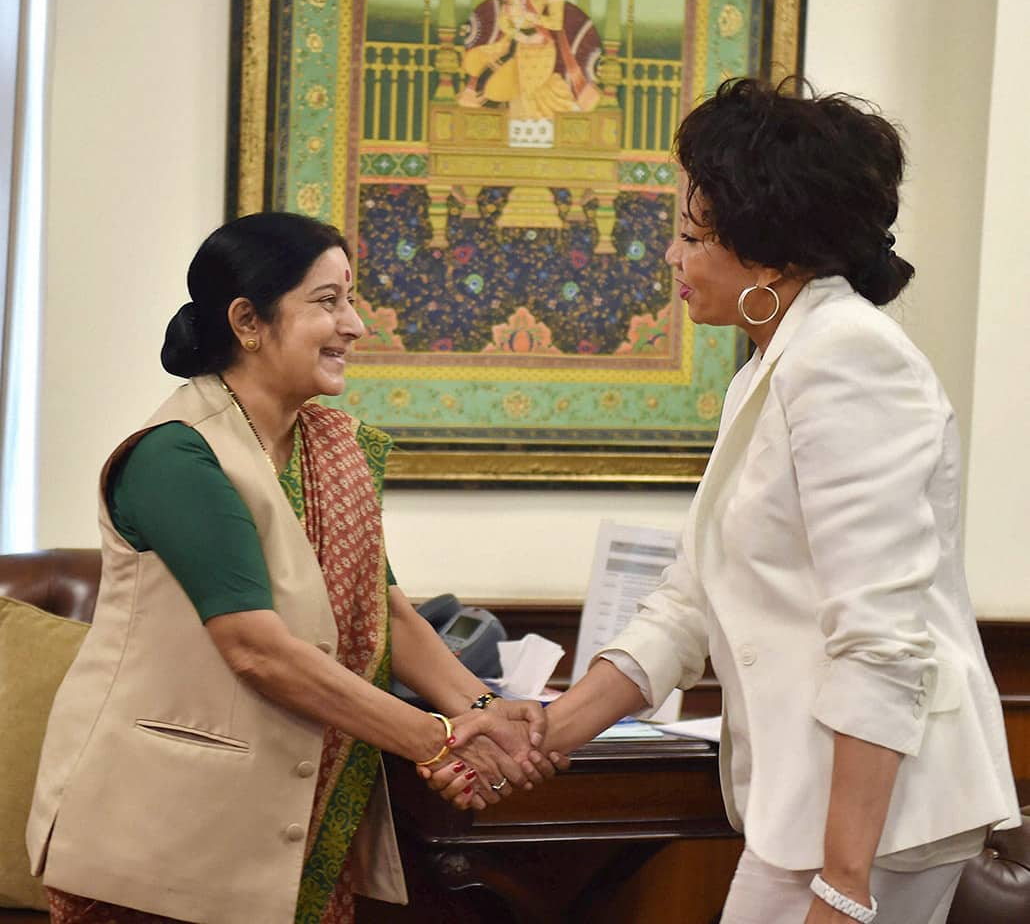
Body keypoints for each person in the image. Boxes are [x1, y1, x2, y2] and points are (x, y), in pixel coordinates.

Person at [426, 78, 1022, 923]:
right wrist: (544, 732)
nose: (671, 256)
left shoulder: (847, 359)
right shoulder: (774, 364)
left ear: (769, 253)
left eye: (687, 234)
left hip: (878, 820)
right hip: (819, 811)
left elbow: (881, 642)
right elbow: (688, 602)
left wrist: (843, 890)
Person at [26, 212, 562, 924]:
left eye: (351, 299)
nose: (356, 325)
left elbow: (386, 613)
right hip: (160, 833)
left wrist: (483, 712)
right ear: (249, 321)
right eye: (328, 301)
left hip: (289, 820)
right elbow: (255, 648)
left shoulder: (326, 449)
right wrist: (431, 740)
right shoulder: (177, 457)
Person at [459, 0, 598, 118]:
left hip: (539, 47)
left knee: (520, 94)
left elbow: (556, 22)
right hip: (514, 41)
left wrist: (529, 17)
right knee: (475, 62)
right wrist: (516, 33)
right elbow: (504, 19)